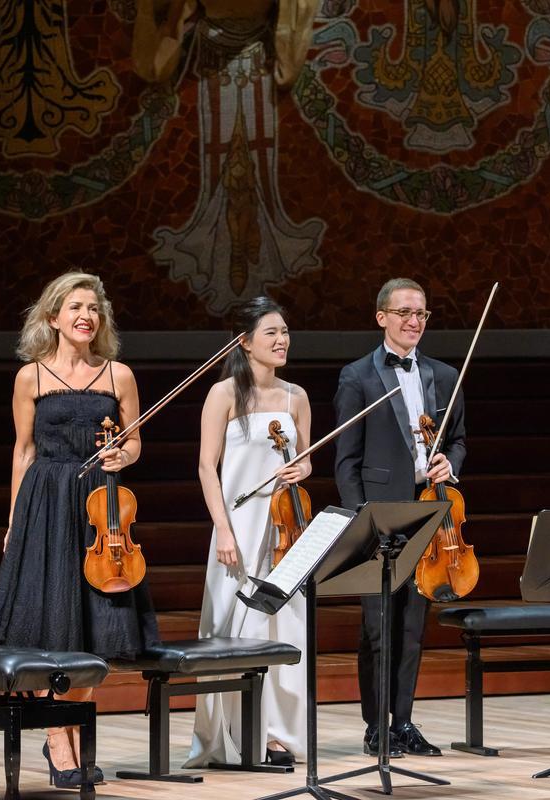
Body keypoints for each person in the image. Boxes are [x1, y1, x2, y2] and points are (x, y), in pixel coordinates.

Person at [0, 272, 160, 787]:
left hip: (101, 509)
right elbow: (23, 452)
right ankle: (60, 737)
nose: (86, 315)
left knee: (96, 625)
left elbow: (135, 444)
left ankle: (68, 725)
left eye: (94, 308)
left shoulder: (118, 375)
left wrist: (120, 453)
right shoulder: (30, 378)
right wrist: (16, 520)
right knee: (48, 621)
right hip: (46, 502)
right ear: (53, 317)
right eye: (75, 306)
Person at [334, 278, 466, 758]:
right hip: (379, 514)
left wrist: (451, 463)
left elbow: (459, 440)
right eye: (405, 313)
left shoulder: (445, 376)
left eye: (422, 314)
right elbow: (346, 460)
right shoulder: (358, 377)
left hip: (428, 510)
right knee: (377, 626)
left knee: (413, 624)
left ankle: (404, 720)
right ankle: (376, 726)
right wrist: (360, 521)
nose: (414, 322)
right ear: (381, 317)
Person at [186, 296, 310, 768]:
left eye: (284, 332)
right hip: (237, 525)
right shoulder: (223, 394)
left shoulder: (296, 396)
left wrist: (304, 468)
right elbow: (206, 466)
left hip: (284, 530)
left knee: (282, 626)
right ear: (245, 343)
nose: (282, 341)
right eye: (271, 334)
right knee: (235, 627)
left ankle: (275, 735)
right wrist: (222, 529)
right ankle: (235, 736)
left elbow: (303, 457)